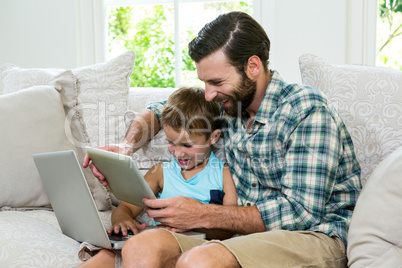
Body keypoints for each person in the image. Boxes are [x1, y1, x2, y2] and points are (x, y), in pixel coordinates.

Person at [84, 11, 362, 267]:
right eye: (204, 82)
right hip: (240, 237)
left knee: (200, 261)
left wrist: (203, 214)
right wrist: (127, 145)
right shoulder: (231, 105)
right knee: (140, 247)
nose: (208, 93)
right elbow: (160, 110)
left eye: (216, 82)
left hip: (313, 237)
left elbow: (301, 213)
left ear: (253, 66)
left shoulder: (306, 110)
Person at [79, 87, 237, 268]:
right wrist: (122, 220)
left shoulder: (223, 173)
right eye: (171, 143)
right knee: (103, 258)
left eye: (187, 144)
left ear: (213, 137)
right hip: (150, 242)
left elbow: (228, 228)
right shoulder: (160, 172)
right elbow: (126, 208)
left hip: (194, 247)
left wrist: (195, 222)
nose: (178, 153)